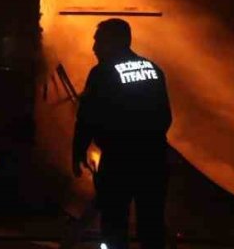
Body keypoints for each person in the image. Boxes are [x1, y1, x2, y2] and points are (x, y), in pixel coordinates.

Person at [72, 19, 172, 249]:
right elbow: (165, 116)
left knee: (114, 225)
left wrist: (78, 151)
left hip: (119, 161)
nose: (94, 47)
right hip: (154, 159)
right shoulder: (152, 69)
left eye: (98, 41)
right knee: (152, 224)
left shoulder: (102, 73)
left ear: (114, 41)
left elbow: (87, 117)